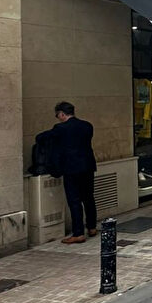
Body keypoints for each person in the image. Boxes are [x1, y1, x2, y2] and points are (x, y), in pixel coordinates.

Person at [52, 101, 97, 243]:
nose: (58, 118)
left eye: (57, 115)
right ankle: (92, 227)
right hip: (88, 166)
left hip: (71, 168)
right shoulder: (87, 126)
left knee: (74, 200)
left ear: (61, 114)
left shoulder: (60, 128)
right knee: (88, 197)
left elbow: (46, 139)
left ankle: (78, 233)